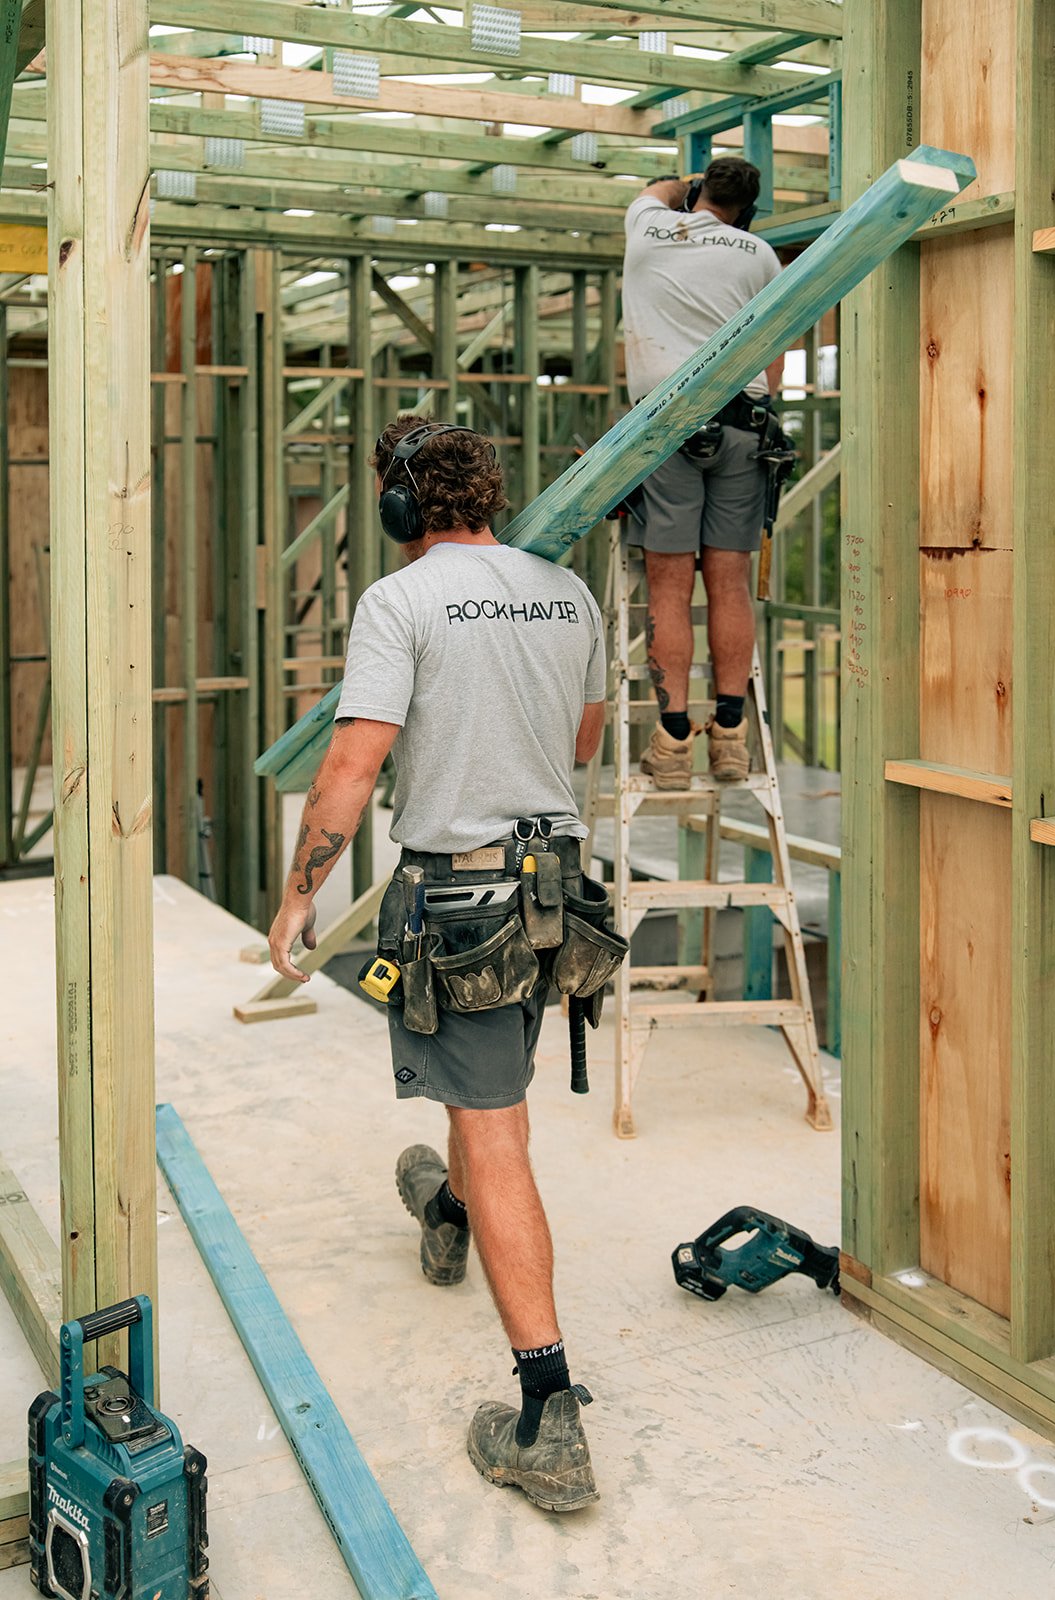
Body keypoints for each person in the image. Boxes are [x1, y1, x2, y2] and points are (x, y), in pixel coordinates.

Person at [268, 416, 615, 1513]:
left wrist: (299, 894)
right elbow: (583, 741)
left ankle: (548, 1419)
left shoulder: (399, 601)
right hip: (556, 897)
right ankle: (449, 1219)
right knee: (488, 1096)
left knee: (493, 1131)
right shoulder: (568, 595)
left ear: (399, 507)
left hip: (461, 904)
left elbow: (352, 762)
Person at [621, 155, 786, 790]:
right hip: (743, 424)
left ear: (698, 194)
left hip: (666, 426)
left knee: (669, 586)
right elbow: (773, 352)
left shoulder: (648, 226)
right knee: (729, 582)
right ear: (747, 210)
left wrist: (681, 188)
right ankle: (731, 739)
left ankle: (671, 744)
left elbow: (654, 189)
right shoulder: (758, 254)